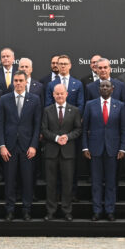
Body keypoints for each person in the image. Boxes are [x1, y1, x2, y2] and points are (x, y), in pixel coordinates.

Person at [0, 71, 42, 221]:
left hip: (27, 147)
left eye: (20, 80)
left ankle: (26, 209)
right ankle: (9, 210)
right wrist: (2, 145)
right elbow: (0, 124)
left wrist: (34, 146)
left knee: (27, 180)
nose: (18, 83)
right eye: (15, 80)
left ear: (26, 81)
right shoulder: (4, 99)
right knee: (9, 180)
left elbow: (37, 126)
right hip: (9, 147)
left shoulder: (34, 99)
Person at [82, 79, 125, 221]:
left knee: (110, 182)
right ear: (99, 89)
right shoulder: (90, 105)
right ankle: (96, 211)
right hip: (94, 148)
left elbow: (124, 129)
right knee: (96, 182)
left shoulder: (120, 105)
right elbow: (84, 129)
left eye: (108, 86)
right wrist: (85, 147)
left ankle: (110, 210)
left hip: (113, 149)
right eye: (102, 86)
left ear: (112, 89)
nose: (105, 88)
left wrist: (122, 148)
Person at [41, 83, 82, 221]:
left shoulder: (74, 110)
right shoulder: (47, 110)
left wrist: (68, 137)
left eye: (61, 93)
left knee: (67, 183)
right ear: (53, 95)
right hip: (51, 153)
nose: (59, 96)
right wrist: (56, 138)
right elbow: (44, 130)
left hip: (68, 153)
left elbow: (78, 129)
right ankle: (50, 211)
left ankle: (66, 211)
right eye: (57, 93)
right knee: (51, 184)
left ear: (66, 94)